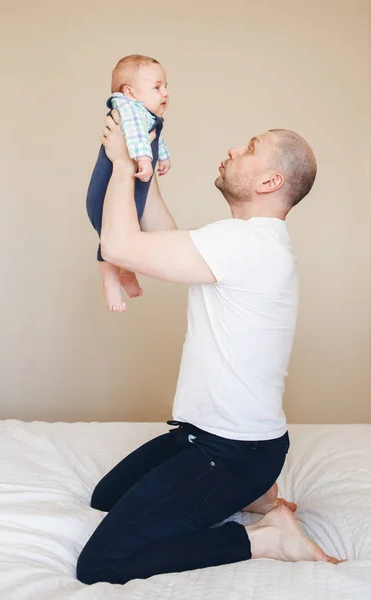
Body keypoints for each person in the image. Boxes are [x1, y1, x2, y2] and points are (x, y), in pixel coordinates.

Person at [76, 113, 342, 585]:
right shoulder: (246, 242)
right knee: (106, 498)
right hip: (211, 436)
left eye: (250, 147)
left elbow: (119, 244)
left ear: (270, 179)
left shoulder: (246, 245)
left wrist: (120, 164)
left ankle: (264, 538)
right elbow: (159, 235)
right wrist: (147, 161)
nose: (234, 150)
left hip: (231, 451)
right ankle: (260, 495)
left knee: (100, 564)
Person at [86, 55, 170, 312]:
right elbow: (136, 137)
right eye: (157, 87)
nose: (165, 92)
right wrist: (144, 158)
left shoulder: (146, 114)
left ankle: (126, 272)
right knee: (111, 236)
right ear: (130, 92)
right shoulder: (129, 110)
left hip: (132, 188)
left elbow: (155, 139)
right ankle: (110, 283)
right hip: (106, 192)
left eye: (166, 86)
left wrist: (161, 159)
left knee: (129, 235)